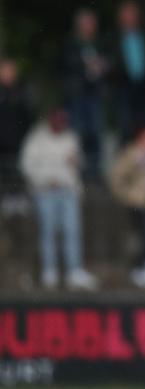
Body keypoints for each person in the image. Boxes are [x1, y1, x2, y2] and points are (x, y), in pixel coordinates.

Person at [19, 109, 98, 290]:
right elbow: (26, 165)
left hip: (68, 190)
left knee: (72, 230)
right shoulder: (37, 138)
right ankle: (49, 271)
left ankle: (74, 271)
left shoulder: (70, 137)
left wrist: (75, 161)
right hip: (45, 191)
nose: (61, 125)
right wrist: (45, 180)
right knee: (48, 231)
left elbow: (79, 162)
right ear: (51, 120)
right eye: (58, 121)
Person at [109, 124, 145, 289]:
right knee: (144, 234)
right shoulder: (132, 153)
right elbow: (117, 176)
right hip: (136, 202)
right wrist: (126, 195)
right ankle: (142, 266)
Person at [62, 9, 108, 180]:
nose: (89, 27)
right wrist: (87, 64)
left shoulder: (99, 44)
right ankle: (77, 173)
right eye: (86, 24)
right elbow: (67, 64)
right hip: (78, 95)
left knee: (95, 132)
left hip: (94, 95)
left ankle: (94, 172)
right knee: (77, 133)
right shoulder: (71, 44)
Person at [110, 0, 145, 142]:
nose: (130, 19)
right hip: (123, 88)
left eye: (133, 15)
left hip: (144, 88)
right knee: (125, 125)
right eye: (127, 16)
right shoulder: (114, 39)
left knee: (144, 125)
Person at [0, 58, 36, 182]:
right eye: (4, 71)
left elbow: (28, 116)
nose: (7, 74)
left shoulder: (23, 90)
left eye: (10, 71)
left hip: (18, 142)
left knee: (16, 178)